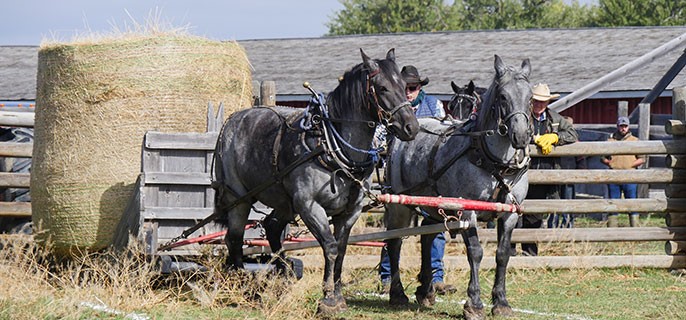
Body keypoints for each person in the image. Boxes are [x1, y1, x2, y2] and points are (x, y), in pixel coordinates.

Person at [378, 65, 455, 295]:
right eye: (406, 87)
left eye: (413, 87)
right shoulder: (390, 105)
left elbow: (444, 134)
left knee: (437, 226)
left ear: (420, 87)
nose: (409, 92)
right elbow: (379, 137)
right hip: (399, 170)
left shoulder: (435, 106)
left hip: (429, 176)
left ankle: (435, 276)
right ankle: (388, 276)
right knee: (395, 225)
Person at [515, 83, 578, 256]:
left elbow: (572, 134)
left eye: (543, 101)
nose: (539, 104)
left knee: (535, 215)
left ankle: (529, 253)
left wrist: (555, 137)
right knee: (513, 212)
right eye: (536, 101)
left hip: (544, 173)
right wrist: (534, 139)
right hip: (519, 172)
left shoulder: (555, 119)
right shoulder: (522, 117)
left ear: (548, 102)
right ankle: (510, 251)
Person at [601, 116, 645, 227]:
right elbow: (602, 157)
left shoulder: (635, 141)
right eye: (621, 126)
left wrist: (630, 165)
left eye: (625, 126)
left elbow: (642, 158)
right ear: (618, 127)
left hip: (630, 176)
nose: (623, 128)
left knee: (632, 202)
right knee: (613, 202)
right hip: (614, 176)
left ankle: (635, 227)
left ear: (628, 127)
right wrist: (610, 163)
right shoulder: (610, 141)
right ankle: (612, 228)